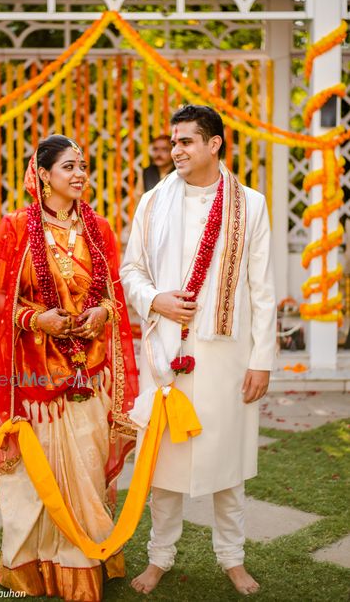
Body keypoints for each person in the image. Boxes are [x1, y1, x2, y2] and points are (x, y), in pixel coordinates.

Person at [120, 105, 277, 596]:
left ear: (214, 144)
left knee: (225, 464)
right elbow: (131, 272)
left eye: (187, 141)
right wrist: (157, 300)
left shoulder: (250, 204)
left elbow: (262, 288)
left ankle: (233, 558)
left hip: (226, 357)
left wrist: (262, 359)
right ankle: (159, 557)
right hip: (165, 352)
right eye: (174, 141)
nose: (177, 150)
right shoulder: (152, 203)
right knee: (162, 467)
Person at [0, 134, 138, 601]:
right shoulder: (15, 227)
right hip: (36, 376)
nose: (79, 174)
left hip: (90, 370)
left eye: (82, 165)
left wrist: (102, 314)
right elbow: (0, 298)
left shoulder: (99, 229)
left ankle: (85, 557)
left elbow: (112, 293)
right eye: (68, 166)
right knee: (38, 473)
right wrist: (35, 319)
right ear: (43, 174)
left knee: (84, 469)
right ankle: (36, 563)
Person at [135, 135, 175, 202]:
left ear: (173, 151)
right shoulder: (145, 172)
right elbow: (139, 198)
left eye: (164, 149)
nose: (159, 154)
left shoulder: (180, 172)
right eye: (155, 149)